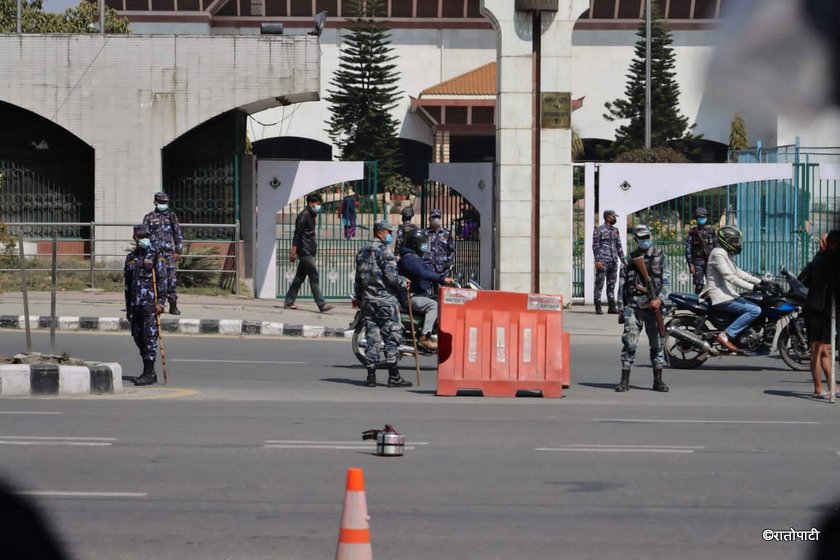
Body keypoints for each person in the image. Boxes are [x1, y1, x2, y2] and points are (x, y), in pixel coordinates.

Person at [354, 220, 413, 388]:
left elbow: (358, 279)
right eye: (389, 232)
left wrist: (360, 299)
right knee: (391, 337)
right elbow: (392, 278)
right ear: (380, 232)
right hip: (385, 301)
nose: (390, 235)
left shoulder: (362, 251)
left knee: (372, 337)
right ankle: (393, 376)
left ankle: (371, 376)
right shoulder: (384, 252)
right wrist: (404, 282)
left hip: (368, 301)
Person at [616, 224, 671, 393]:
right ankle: (624, 381)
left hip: (654, 308)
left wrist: (660, 300)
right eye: (642, 238)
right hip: (634, 307)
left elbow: (667, 283)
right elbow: (622, 286)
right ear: (636, 240)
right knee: (630, 344)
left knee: (657, 344)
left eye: (647, 237)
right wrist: (621, 308)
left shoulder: (661, 257)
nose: (645, 241)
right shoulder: (628, 259)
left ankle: (658, 381)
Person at [704, 225, 765, 351]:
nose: (737, 244)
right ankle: (726, 335)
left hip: (728, 294)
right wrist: (754, 287)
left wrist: (762, 282)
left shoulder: (726, 254)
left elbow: (738, 272)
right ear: (726, 240)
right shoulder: (718, 254)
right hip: (720, 296)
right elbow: (730, 277)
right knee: (755, 310)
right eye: (734, 241)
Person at [397, 228, 456, 351]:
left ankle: (428, 329)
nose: (424, 245)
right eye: (422, 242)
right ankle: (424, 337)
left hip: (419, 294)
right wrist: (442, 279)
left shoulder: (415, 257)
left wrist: (442, 277)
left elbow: (428, 271)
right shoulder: (409, 258)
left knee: (439, 301)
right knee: (433, 306)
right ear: (415, 243)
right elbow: (422, 273)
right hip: (410, 297)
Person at [124, 224, 168, 386]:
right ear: (134, 238)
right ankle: (150, 372)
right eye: (140, 237)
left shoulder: (156, 256)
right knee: (138, 338)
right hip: (135, 305)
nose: (143, 240)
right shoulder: (130, 258)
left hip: (150, 304)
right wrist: (128, 308)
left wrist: (162, 302)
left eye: (146, 237)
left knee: (149, 339)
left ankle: (148, 373)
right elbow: (127, 286)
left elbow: (163, 279)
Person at [801, 230, 840, 398]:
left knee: (819, 348)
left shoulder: (819, 258)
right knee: (823, 349)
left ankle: (826, 387)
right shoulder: (830, 260)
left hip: (814, 306)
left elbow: (804, 279)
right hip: (823, 309)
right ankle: (828, 387)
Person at [284, 193, 334, 313]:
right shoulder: (303, 216)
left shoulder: (312, 215)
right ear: (311, 204)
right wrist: (293, 252)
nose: (319, 206)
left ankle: (289, 301)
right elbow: (297, 235)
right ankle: (321, 304)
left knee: (299, 277)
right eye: (317, 204)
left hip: (310, 250)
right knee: (314, 276)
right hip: (304, 251)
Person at [143, 191, 183, 315]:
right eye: (161, 202)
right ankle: (158, 304)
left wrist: (178, 251)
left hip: (168, 254)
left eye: (165, 202)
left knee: (171, 279)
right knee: (157, 280)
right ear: (155, 202)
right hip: (154, 254)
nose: (163, 204)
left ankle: (173, 304)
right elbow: (144, 236)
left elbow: (178, 234)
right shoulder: (149, 217)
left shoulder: (171, 216)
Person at [593, 209, 624, 315]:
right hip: (603, 261)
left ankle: (611, 307)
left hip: (613, 261)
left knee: (611, 284)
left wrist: (623, 259)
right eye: (613, 216)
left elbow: (619, 246)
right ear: (607, 217)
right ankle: (598, 306)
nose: (614, 218)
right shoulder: (599, 229)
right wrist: (597, 260)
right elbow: (595, 246)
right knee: (599, 284)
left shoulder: (615, 230)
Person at [684, 206, 716, 294]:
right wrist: (690, 264)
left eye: (704, 217)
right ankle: (698, 302)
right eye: (700, 217)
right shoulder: (693, 233)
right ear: (696, 219)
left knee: (713, 284)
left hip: (710, 261)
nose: (702, 219)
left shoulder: (711, 231)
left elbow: (716, 246)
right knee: (699, 285)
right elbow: (688, 249)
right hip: (697, 261)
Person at [424, 208, 456, 275]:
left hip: (443, 268)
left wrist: (449, 263)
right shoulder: (425, 233)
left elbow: (452, 250)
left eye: (438, 217)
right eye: (434, 217)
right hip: (428, 267)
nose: (436, 219)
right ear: (429, 219)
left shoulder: (447, 233)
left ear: (441, 218)